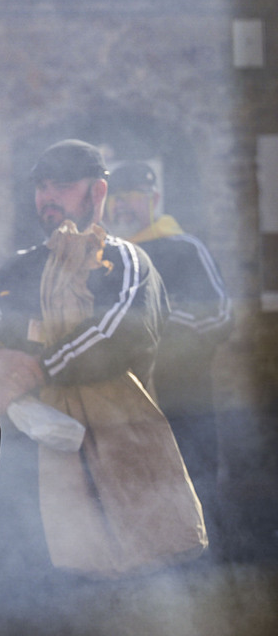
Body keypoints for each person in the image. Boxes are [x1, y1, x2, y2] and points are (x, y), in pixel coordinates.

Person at [0, 140, 187, 627]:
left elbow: (117, 331)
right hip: (25, 481)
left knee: (119, 611)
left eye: (62, 187)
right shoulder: (17, 268)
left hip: (110, 472)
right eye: (41, 187)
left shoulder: (127, 262)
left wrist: (37, 367)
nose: (48, 197)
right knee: (28, 607)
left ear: (98, 192)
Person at [106, 161, 233, 555]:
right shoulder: (107, 254)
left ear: (154, 200)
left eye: (132, 196)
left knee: (195, 489)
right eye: (115, 197)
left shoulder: (183, 248)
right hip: (124, 404)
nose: (122, 206)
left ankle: (211, 574)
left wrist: (157, 319)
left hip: (183, 400)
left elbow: (220, 315)